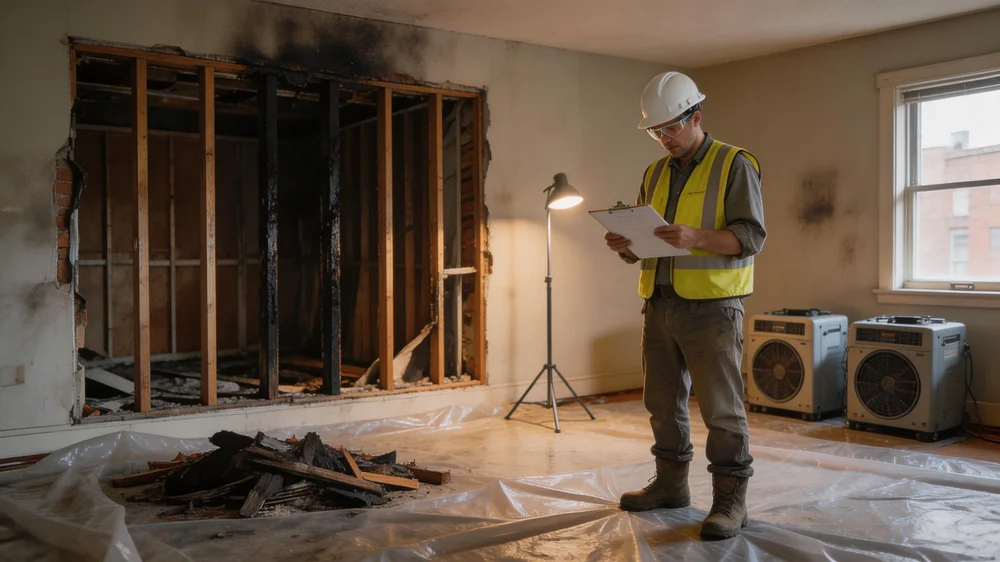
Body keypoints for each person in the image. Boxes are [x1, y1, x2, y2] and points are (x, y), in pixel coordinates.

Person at [606, 71, 766, 540]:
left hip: (713, 307)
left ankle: (730, 500)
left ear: (696, 117)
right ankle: (672, 486)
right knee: (661, 401)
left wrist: (696, 238)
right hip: (658, 302)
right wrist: (624, 243)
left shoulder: (735, 164)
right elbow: (646, 243)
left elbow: (751, 237)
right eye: (656, 132)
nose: (663, 140)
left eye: (670, 129)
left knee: (721, 408)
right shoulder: (654, 173)